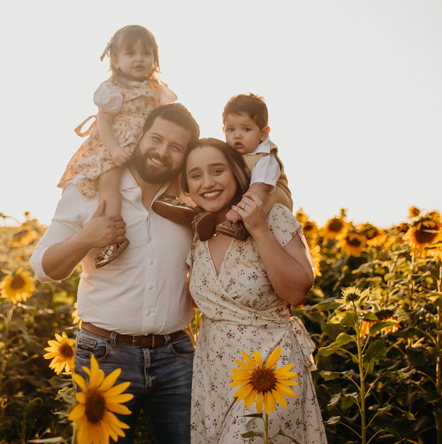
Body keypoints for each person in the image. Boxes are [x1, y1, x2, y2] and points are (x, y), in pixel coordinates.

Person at [32, 103, 201, 444]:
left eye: (176, 147)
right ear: (139, 136)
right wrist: (85, 238)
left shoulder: (192, 202)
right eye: (156, 139)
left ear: (185, 156)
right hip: (104, 355)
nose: (162, 151)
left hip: (177, 356)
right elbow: (43, 268)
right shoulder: (89, 189)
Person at [183, 138, 326, 444]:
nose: (207, 182)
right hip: (214, 375)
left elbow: (297, 292)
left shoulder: (274, 218)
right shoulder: (198, 235)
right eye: (195, 175)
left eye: (217, 170)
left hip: (269, 373)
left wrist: (258, 229)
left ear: (236, 173)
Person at [57, 25, 178, 267]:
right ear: (115, 59)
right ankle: (113, 235)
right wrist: (113, 149)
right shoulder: (112, 89)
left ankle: (175, 199)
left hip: (146, 145)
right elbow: (104, 121)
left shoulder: (156, 88)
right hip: (117, 142)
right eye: (131, 54)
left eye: (146, 53)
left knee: (173, 164)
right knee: (108, 183)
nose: (139, 59)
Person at [217, 92, 293, 240]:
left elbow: (259, 189)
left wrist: (240, 210)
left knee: (267, 196)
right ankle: (201, 217)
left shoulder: (265, 157)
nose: (237, 135)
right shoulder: (228, 155)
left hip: (273, 200)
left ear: (263, 134)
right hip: (248, 198)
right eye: (231, 129)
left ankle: (242, 223)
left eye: (246, 129)